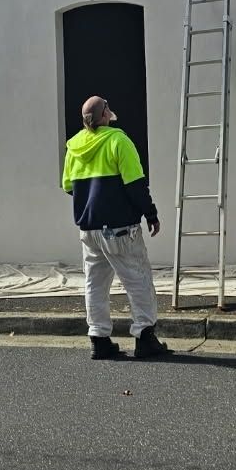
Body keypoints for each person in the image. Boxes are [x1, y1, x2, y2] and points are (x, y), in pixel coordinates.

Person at [62, 95, 172, 361]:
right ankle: (145, 337)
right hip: (121, 229)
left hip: (89, 229)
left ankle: (99, 340)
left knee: (95, 284)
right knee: (138, 281)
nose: (111, 111)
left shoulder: (74, 147)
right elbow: (135, 184)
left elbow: (68, 186)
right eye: (108, 108)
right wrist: (151, 213)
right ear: (104, 116)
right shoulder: (118, 141)